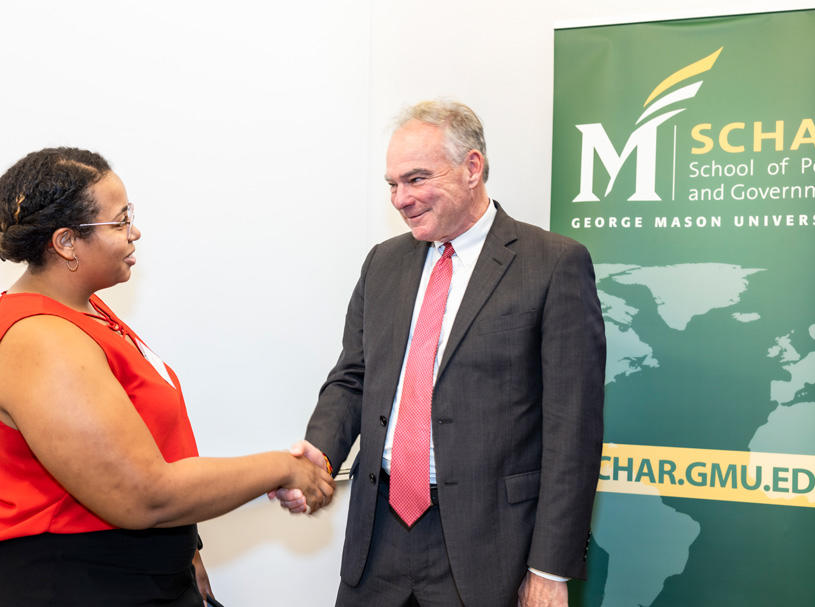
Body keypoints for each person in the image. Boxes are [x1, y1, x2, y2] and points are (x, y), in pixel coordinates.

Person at [278, 100, 605, 606]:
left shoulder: (553, 264)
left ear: (472, 168)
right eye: (392, 184)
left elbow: (573, 429)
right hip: (376, 539)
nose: (401, 199)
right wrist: (318, 456)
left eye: (416, 179)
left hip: (490, 546)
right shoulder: (383, 263)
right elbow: (353, 377)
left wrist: (550, 568)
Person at [0, 148, 334, 606]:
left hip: (142, 571)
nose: (134, 232)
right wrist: (281, 467)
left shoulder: (88, 311)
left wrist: (186, 551)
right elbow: (142, 495)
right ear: (66, 242)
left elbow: (147, 448)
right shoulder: (40, 338)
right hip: (79, 582)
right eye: (119, 222)